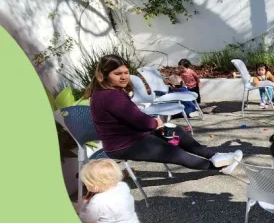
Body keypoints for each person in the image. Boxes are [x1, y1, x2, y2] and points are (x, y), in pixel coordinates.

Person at [85, 54, 243, 173]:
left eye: (126, 72)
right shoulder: (110, 96)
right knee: (173, 151)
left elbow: (133, 118)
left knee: (175, 132)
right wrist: (156, 123)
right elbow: (140, 121)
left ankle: (215, 155)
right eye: (118, 74)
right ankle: (220, 167)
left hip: (137, 135)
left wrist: (157, 125)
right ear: (104, 75)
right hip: (125, 145)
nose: (124, 77)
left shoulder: (110, 92)